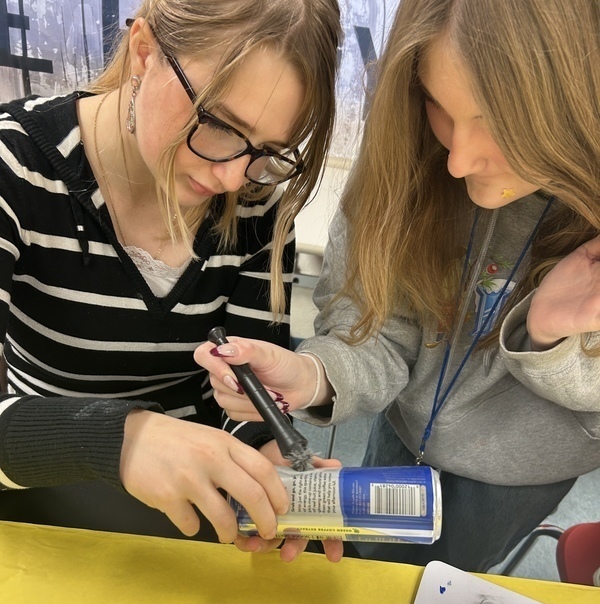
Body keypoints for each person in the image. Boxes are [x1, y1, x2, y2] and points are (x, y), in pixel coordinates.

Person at [195, 0, 600, 571]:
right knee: (371, 571)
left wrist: (550, 343)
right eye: (440, 105)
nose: (458, 161)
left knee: (450, 588)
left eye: (500, 123)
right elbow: (378, 326)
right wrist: (317, 375)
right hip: (405, 432)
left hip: (520, 473)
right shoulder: (407, 153)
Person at [0, 0, 343, 558]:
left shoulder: (258, 206)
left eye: (269, 151)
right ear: (144, 52)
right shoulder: (15, 166)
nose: (233, 174)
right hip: (41, 509)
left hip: (193, 521)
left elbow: (237, 397)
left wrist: (262, 453)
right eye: (218, 124)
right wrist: (119, 438)